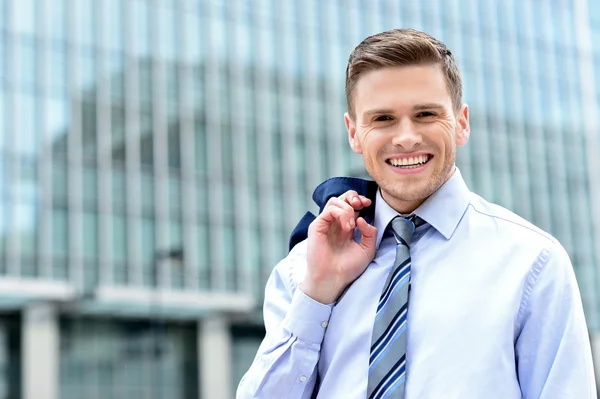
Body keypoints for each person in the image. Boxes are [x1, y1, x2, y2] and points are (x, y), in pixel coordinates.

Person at [236, 28, 596, 398]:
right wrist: (317, 294)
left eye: (425, 114)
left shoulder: (532, 263)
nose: (406, 137)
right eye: (382, 119)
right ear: (354, 132)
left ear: (461, 122)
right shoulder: (303, 269)